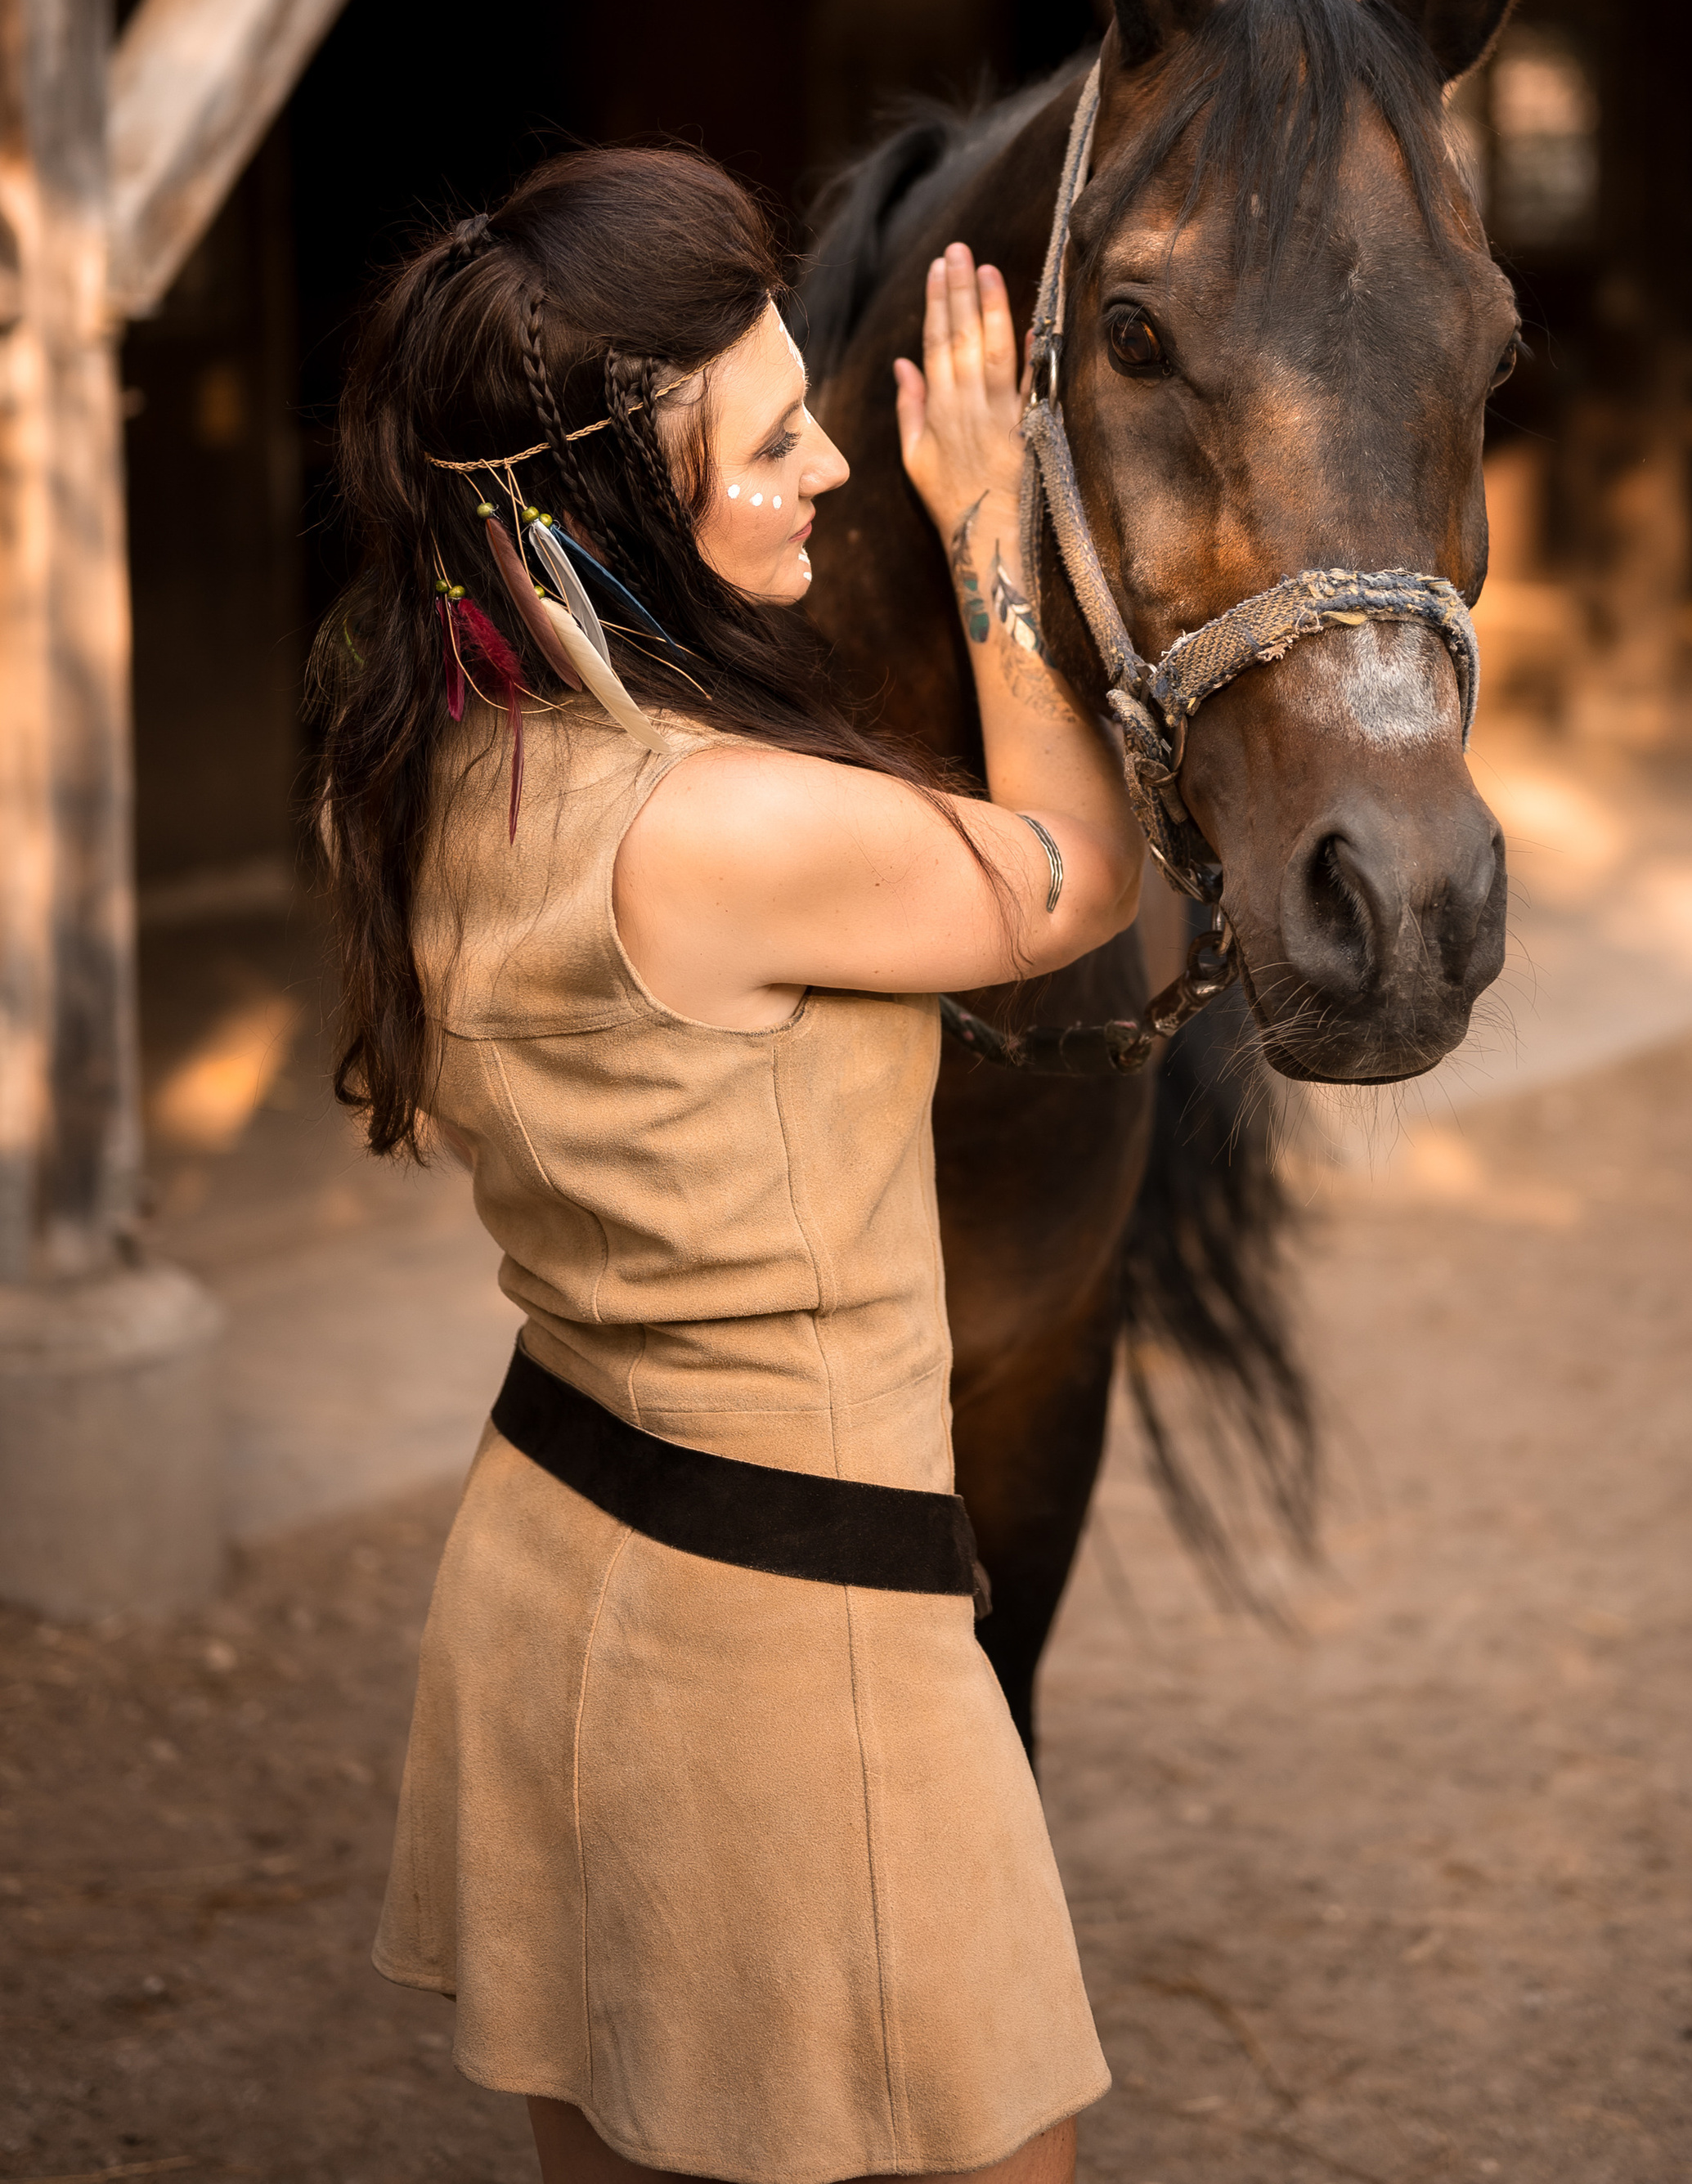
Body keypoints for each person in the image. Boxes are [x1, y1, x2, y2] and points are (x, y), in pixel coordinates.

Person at [310, 144, 1144, 2184]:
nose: (832, 469)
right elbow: (1076, 877)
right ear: (608, 502)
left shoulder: (413, 767)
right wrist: (989, 544)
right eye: (776, 441)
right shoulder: (725, 830)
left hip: (551, 1558)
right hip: (793, 1649)